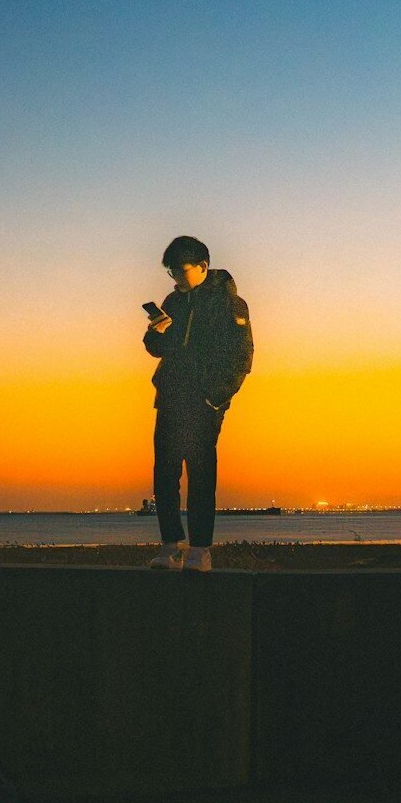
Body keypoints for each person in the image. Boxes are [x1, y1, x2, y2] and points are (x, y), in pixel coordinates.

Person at [143, 236, 254, 571]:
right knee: (165, 473)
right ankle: (171, 546)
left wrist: (215, 398)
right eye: (172, 272)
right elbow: (155, 347)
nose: (176, 278)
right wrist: (156, 332)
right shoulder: (173, 302)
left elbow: (242, 357)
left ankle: (200, 549)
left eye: (181, 270)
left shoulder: (229, 304)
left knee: (200, 474)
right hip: (170, 395)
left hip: (204, 401)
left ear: (203, 266)